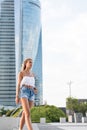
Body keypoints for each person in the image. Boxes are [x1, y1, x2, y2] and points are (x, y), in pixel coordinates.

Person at [15, 58, 37, 130]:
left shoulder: (33, 74)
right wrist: (17, 96)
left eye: (32, 63)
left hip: (32, 93)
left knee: (25, 113)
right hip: (24, 91)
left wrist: (35, 89)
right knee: (27, 113)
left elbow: (33, 85)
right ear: (26, 63)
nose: (31, 64)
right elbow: (18, 85)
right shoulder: (21, 73)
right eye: (29, 62)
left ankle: (20, 129)